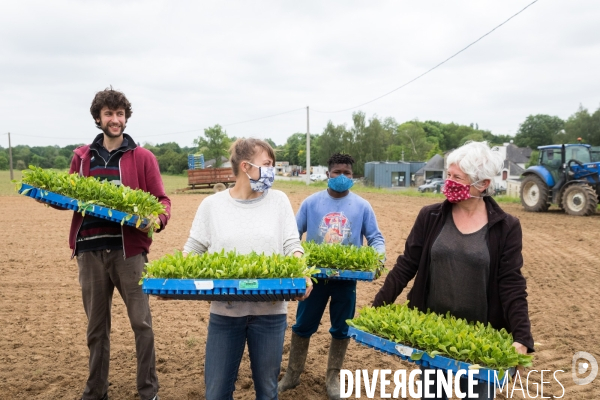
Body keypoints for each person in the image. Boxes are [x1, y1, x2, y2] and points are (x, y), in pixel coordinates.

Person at [372, 141, 534, 400]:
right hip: (434, 334)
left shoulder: (506, 227)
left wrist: (522, 337)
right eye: (448, 175)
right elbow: (407, 264)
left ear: (483, 184)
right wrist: (378, 305)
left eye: (457, 177)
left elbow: (511, 283)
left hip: (480, 340)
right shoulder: (431, 216)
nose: (449, 182)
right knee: (433, 395)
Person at [59, 88, 170, 400]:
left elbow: (162, 201)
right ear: (98, 118)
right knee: (96, 329)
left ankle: (148, 392)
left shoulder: (142, 157)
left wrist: (156, 220)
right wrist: (48, 195)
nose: (115, 119)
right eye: (109, 114)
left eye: (120, 114)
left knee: (141, 324)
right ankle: (95, 392)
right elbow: (66, 197)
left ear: (126, 117)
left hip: (128, 253)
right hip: (90, 251)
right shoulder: (82, 157)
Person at [183, 138, 312, 400]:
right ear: (245, 166)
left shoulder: (278, 201)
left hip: (270, 314)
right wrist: (172, 278)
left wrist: (301, 273)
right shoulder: (213, 205)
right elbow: (192, 250)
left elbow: (292, 244)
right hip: (225, 314)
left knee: (267, 390)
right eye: (267, 164)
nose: (272, 170)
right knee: (217, 392)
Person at [278, 153, 385, 400]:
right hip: (315, 279)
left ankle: (333, 377)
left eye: (347, 173)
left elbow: (375, 238)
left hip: (346, 281)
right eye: (337, 172)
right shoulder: (311, 203)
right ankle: (292, 375)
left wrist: (379, 257)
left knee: (341, 328)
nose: (342, 177)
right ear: (328, 174)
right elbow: (293, 235)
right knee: (303, 326)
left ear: (352, 176)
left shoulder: (361, 206)